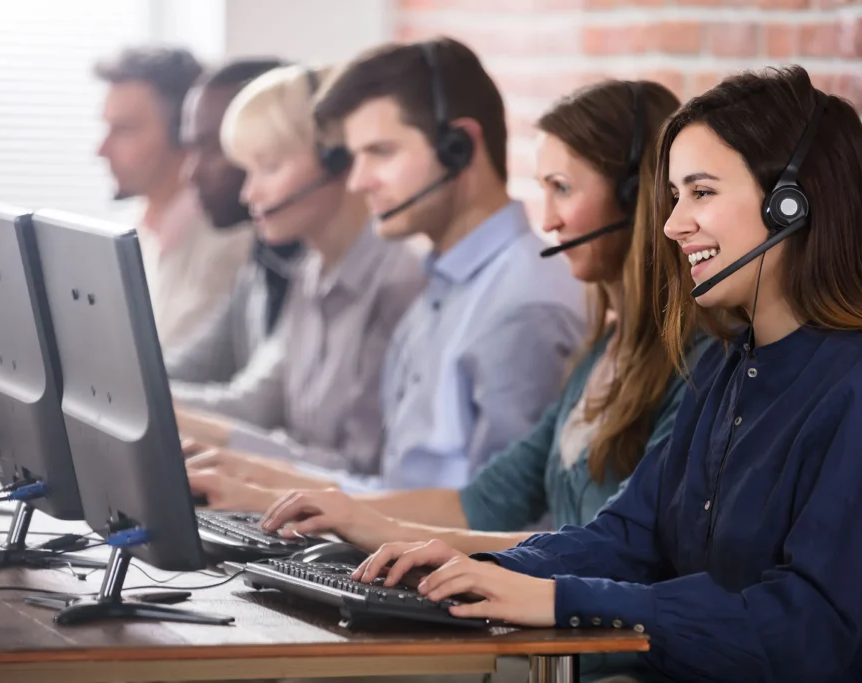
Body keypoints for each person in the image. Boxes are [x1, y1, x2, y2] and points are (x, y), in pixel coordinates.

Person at [352, 66, 862, 683]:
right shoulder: (731, 368)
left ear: (789, 205)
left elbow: (801, 630)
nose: (671, 224)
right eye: (674, 196)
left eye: (702, 192)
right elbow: (629, 536)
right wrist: (482, 564)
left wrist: (559, 601)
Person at [207, 80, 699, 558]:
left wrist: (378, 530)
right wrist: (334, 513)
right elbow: (481, 501)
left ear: (640, 197)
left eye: (563, 189)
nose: (547, 220)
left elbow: (616, 549)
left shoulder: (692, 365)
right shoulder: (604, 353)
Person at [185, 38, 587, 501]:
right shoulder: (440, 293)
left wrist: (268, 489)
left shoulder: (522, 303)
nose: (357, 181)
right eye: (356, 158)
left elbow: (507, 524)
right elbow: (393, 490)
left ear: (460, 147)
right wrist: (256, 476)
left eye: (381, 152)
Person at [174, 64, 426, 477]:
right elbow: (254, 404)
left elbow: (365, 470)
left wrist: (233, 456)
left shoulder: (401, 283)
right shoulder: (311, 271)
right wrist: (135, 395)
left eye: (268, 168)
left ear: (337, 162)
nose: (248, 192)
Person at [95, 47, 253, 352]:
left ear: (184, 132)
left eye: (124, 130)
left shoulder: (230, 247)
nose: (101, 149)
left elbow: (163, 370)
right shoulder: (129, 233)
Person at [164, 58, 307, 391]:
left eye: (214, 149)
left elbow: (254, 404)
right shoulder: (264, 259)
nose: (191, 173)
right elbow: (192, 364)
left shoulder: (318, 272)